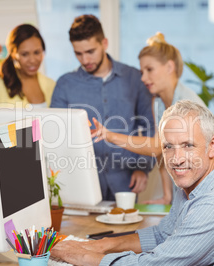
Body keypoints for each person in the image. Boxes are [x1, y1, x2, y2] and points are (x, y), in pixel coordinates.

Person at [51, 100, 214, 266]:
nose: (176, 158)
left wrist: (81, 256)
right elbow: (161, 235)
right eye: (168, 147)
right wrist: (100, 245)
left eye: (188, 145)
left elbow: (153, 265)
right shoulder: (196, 186)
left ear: (212, 146)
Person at [92, 32, 212, 204]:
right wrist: (167, 196)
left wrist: (109, 135)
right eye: (142, 71)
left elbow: (156, 147)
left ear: (169, 67)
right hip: (191, 191)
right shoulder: (158, 103)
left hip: (210, 190)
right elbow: (163, 153)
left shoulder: (187, 104)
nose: (143, 78)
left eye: (149, 70)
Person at [50, 15, 155, 201]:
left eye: (90, 51)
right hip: (81, 184)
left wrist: (142, 167)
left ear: (104, 43)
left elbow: (148, 128)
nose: (85, 59)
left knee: (127, 230)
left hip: (126, 181)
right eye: (78, 53)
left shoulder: (134, 79)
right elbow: (54, 135)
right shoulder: (65, 85)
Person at [0, 24, 55, 110]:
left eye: (37, 52)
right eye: (24, 54)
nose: (32, 60)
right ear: (13, 54)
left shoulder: (52, 85)